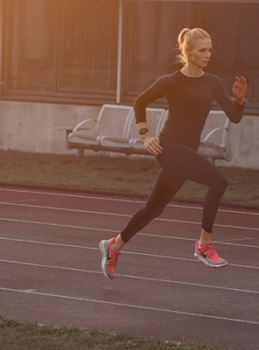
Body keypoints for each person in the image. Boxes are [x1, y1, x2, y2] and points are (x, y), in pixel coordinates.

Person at [99, 28, 247, 278]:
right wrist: (145, 135)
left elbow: (234, 116)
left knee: (153, 209)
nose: (208, 54)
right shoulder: (171, 81)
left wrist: (240, 100)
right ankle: (204, 246)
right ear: (188, 52)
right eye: (202, 50)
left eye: (210, 50)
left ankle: (113, 246)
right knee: (218, 181)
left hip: (186, 153)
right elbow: (140, 102)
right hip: (169, 150)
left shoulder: (213, 82)